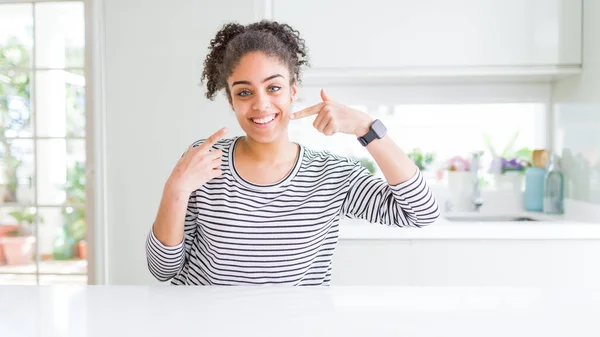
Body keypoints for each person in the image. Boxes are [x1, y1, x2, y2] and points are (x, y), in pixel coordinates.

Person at [146, 20, 440, 286]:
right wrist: (176, 188)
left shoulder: (332, 175)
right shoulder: (204, 162)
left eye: (273, 87)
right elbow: (163, 269)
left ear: (293, 90)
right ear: (231, 100)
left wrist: (367, 127)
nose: (261, 105)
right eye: (244, 92)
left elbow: (422, 213)